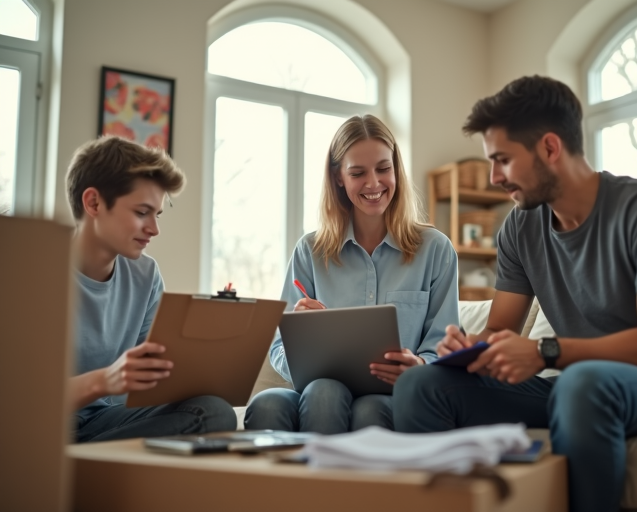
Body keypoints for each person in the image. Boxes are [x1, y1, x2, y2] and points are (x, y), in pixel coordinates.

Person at [392, 76, 637, 512]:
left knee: (582, 382)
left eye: (503, 160)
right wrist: (468, 348)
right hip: (581, 389)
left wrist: (546, 352)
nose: (495, 178)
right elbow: (499, 330)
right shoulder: (520, 227)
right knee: (421, 385)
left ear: (550, 148)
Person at [245, 114, 460, 434]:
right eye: (358, 173)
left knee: (360, 405)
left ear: (396, 170)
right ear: (338, 177)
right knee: (270, 402)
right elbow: (278, 347)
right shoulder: (310, 250)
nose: (373, 183)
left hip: (394, 393)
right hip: (318, 389)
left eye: (383, 169)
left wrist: (419, 366)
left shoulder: (435, 249)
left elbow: (443, 346)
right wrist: (300, 344)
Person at [68, 136, 237, 443]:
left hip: (106, 421)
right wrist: (103, 381)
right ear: (93, 203)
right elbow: (18, 397)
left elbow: (151, 378)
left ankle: (85, 456)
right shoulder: (33, 272)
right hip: (39, 420)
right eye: (141, 212)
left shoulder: (145, 275)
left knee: (213, 411)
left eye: (156, 215)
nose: (154, 229)